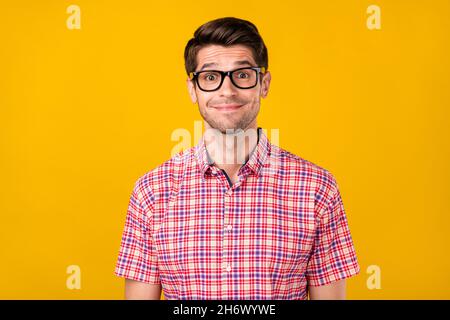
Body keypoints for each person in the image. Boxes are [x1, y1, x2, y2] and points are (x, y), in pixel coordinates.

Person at [114, 17, 360, 300]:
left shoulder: (318, 189)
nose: (227, 90)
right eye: (210, 77)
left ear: (264, 83)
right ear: (192, 89)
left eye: (242, 75)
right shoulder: (151, 192)